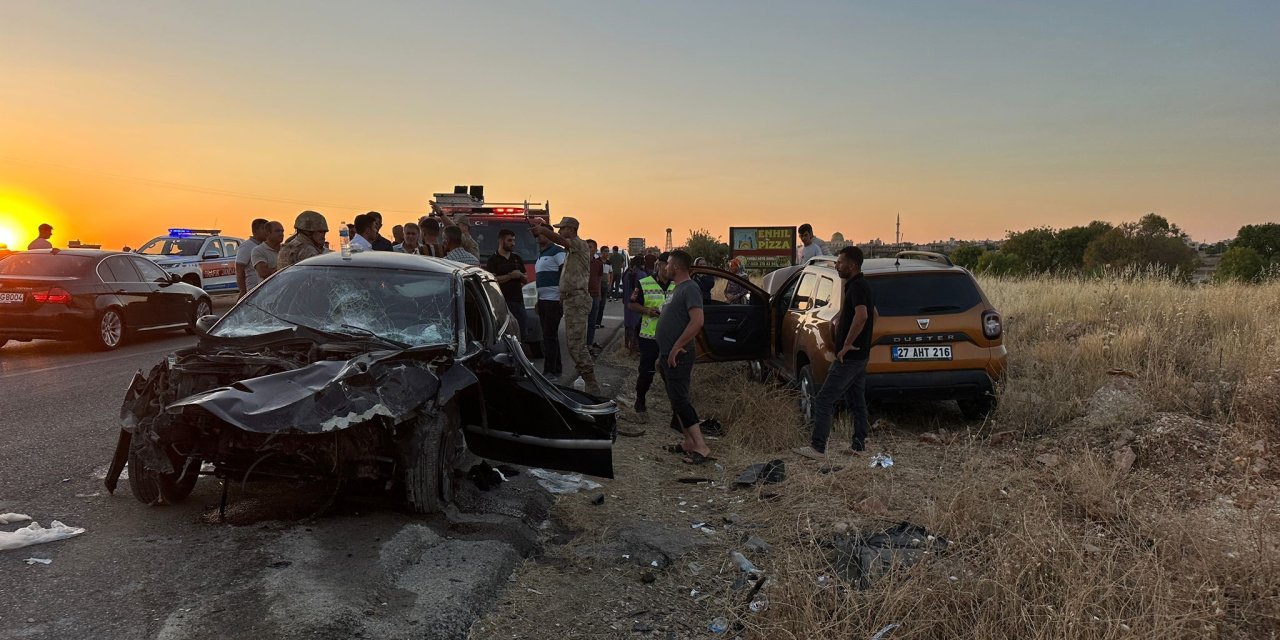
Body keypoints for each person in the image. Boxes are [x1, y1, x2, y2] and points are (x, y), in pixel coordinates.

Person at [796, 246, 875, 460]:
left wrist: (848, 343)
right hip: (860, 356)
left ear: (851, 265)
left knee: (824, 399)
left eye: (840, 262)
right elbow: (871, 312)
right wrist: (841, 316)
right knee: (856, 400)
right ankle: (859, 446)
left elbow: (863, 315)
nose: (837, 265)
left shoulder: (857, 287)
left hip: (849, 357)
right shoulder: (861, 285)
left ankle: (817, 448)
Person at [529, 216, 600, 395]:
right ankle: (586, 379)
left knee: (577, 344)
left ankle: (591, 384)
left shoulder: (579, 244)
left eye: (562, 228)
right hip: (570, 300)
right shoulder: (571, 252)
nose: (559, 232)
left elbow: (560, 240)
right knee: (572, 344)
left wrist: (543, 230)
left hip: (577, 300)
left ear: (571, 229)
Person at [656, 250, 713, 463]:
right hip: (667, 354)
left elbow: (697, 321)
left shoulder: (690, 288)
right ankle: (688, 442)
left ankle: (701, 447)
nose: (665, 267)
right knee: (675, 400)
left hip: (679, 354)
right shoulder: (676, 289)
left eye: (668, 264)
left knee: (680, 399)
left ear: (677, 267)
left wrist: (676, 347)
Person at [628, 252, 674, 421]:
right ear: (659, 264)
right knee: (647, 371)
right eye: (667, 264)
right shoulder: (644, 283)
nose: (669, 268)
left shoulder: (678, 285)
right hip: (649, 335)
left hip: (670, 336)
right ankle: (640, 400)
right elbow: (632, 304)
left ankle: (676, 409)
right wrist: (647, 311)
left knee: (671, 371)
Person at [534, 231, 567, 379]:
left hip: (554, 300)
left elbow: (565, 272)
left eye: (541, 234)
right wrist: (538, 300)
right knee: (550, 336)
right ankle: (556, 369)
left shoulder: (557, 251)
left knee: (549, 336)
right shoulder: (542, 254)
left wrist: (562, 295)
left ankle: (549, 371)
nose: (538, 236)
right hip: (543, 300)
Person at [485, 228, 529, 333]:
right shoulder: (493, 260)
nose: (513, 243)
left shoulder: (517, 258)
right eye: (509, 240)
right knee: (504, 332)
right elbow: (493, 281)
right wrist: (511, 276)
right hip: (501, 303)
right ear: (501, 240)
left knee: (522, 331)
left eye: (513, 240)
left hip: (518, 302)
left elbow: (526, 279)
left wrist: (520, 275)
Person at [235, 218, 269, 299]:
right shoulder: (247, 246)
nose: (267, 231)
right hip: (252, 290)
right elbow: (239, 269)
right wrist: (243, 291)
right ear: (255, 230)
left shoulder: (265, 246)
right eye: (264, 228)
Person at [621, 256, 647, 355]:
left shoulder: (626, 273)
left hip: (627, 304)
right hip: (637, 305)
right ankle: (635, 348)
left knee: (628, 325)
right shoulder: (642, 275)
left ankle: (627, 346)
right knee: (637, 325)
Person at [249, 221, 285, 289]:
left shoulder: (286, 249)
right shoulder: (259, 250)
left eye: (282, 231)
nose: (281, 234)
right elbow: (263, 273)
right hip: (268, 293)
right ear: (268, 233)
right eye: (277, 231)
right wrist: (286, 268)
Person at [587, 240, 604, 352]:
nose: (588, 249)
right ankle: (580, 345)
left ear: (595, 249)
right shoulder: (579, 262)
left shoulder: (598, 264)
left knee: (592, 322)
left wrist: (599, 294)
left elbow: (599, 279)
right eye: (586, 247)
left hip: (594, 296)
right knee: (581, 323)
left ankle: (589, 344)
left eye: (590, 247)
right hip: (582, 296)